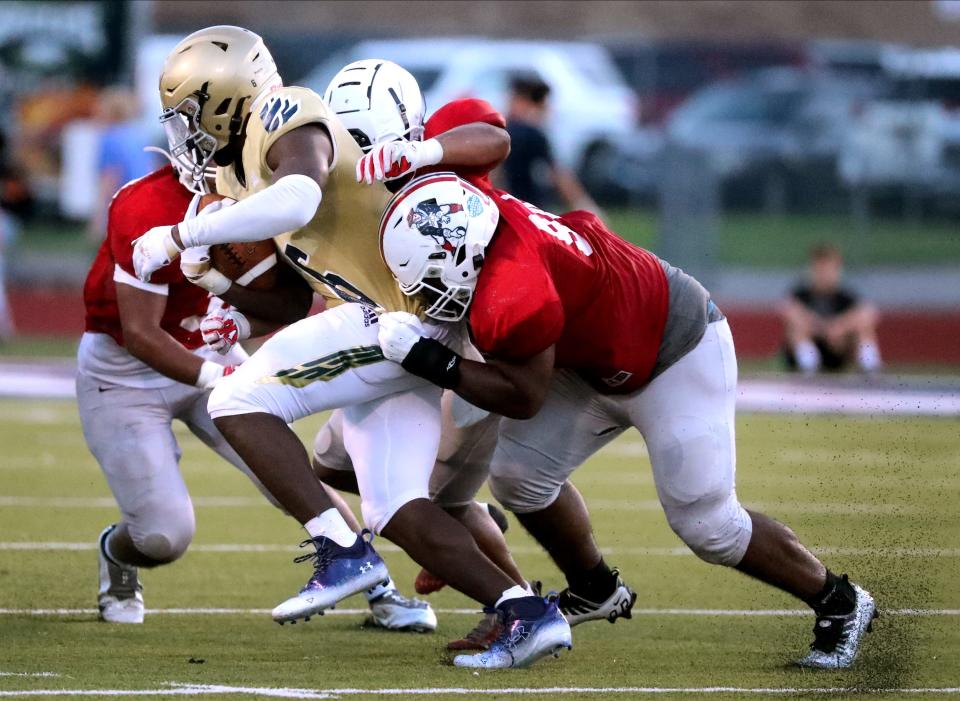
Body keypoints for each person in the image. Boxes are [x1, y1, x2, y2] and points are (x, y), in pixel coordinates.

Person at [132, 26, 568, 668]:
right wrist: (223, 284)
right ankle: (524, 613)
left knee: (235, 401)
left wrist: (182, 233)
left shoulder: (285, 114)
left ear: (226, 99)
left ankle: (340, 548)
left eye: (192, 115)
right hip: (393, 330)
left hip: (396, 315)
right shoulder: (237, 170)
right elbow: (287, 302)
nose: (186, 133)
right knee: (396, 508)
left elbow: (299, 194)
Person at [373, 171, 878, 670]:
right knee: (519, 477)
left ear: (462, 256)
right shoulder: (473, 209)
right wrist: (424, 153)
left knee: (708, 523)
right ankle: (595, 588)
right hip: (596, 357)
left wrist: (430, 360)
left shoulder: (514, 285)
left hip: (673, 349)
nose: (428, 294)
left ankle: (840, 601)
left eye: (433, 278)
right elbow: (485, 137)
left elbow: (524, 396)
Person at [348, 84, 638, 649]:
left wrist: (426, 153)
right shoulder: (396, 188)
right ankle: (478, 524)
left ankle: (515, 606)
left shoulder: (467, 195)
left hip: (478, 343)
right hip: (429, 342)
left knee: (422, 500)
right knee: (338, 464)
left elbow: (492, 137)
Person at [79, 163, 255, 623]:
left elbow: (284, 296)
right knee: (162, 536)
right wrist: (224, 380)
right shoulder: (148, 205)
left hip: (210, 346)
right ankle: (117, 553)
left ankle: (377, 584)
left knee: (295, 473)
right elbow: (140, 333)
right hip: (124, 375)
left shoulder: (273, 187)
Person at [780, 243, 882, 375]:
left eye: (829, 269)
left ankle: (870, 369)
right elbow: (788, 310)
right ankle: (809, 368)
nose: (824, 274)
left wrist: (840, 327)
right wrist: (823, 328)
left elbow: (870, 313)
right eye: (820, 269)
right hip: (810, 344)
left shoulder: (845, 298)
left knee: (863, 326)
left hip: (837, 349)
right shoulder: (801, 295)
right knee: (797, 327)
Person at [502, 74, 598, 213]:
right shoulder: (532, 134)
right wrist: (585, 206)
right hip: (527, 210)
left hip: (502, 206)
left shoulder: (502, 130)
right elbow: (559, 175)